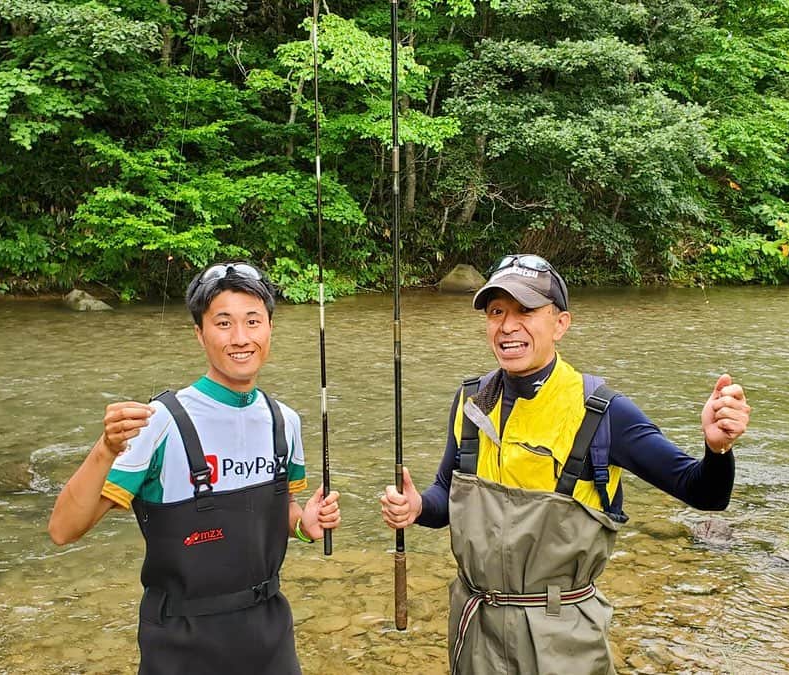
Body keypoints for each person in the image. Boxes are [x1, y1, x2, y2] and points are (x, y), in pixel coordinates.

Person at [380, 253, 750, 675]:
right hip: (474, 630)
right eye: (497, 311)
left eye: (526, 311)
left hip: (563, 637)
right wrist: (416, 508)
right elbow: (447, 495)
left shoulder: (605, 413)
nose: (507, 326)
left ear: (560, 324)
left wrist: (717, 448)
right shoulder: (472, 401)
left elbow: (704, 493)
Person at [48, 262, 341, 675]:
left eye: (253, 321)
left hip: (270, 637)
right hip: (181, 644)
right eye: (223, 323)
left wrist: (301, 524)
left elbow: (281, 513)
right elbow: (63, 529)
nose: (241, 338)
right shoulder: (158, 421)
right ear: (199, 334)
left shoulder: (284, 422)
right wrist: (106, 448)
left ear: (270, 328)